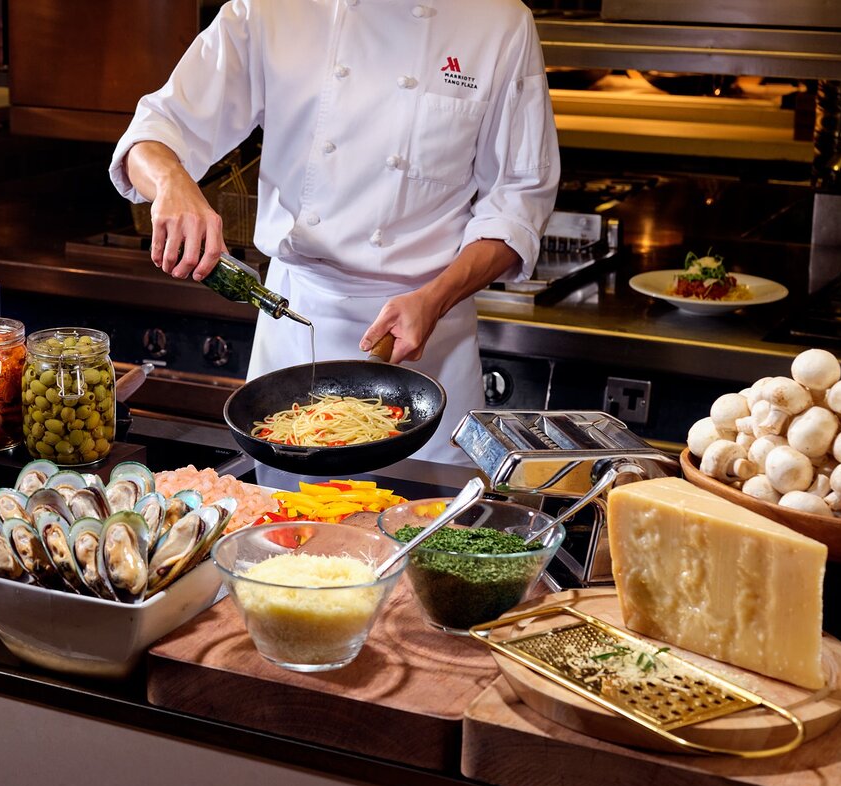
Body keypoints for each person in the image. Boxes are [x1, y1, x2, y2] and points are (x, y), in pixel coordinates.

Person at [109, 0, 559, 464]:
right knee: (285, 529)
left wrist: (437, 297)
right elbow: (155, 131)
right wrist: (171, 183)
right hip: (296, 334)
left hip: (430, 346)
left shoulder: (498, 21)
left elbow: (519, 200)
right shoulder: (269, 11)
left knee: (427, 526)